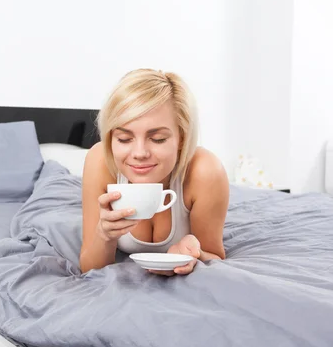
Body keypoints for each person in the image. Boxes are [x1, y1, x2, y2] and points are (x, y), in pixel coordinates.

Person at [79, 68, 229, 276]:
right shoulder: (100, 161)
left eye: (157, 139)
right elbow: (89, 267)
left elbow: (214, 256)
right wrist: (104, 236)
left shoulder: (205, 171)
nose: (139, 153)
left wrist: (194, 253)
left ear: (181, 139)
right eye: (124, 139)